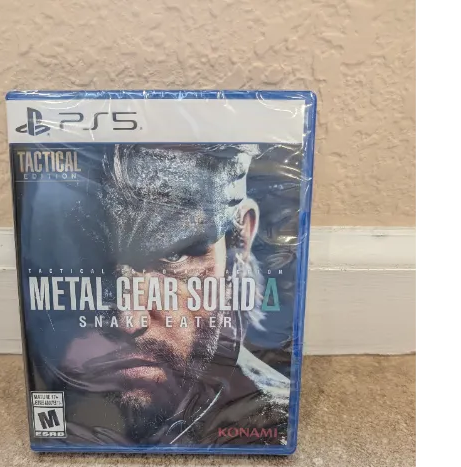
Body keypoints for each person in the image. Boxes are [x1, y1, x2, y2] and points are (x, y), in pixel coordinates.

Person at [21, 143, 291, 448]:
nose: (129, 320)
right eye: (83, 261)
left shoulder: (271, 420)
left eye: (174, 254)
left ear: (240, 240)